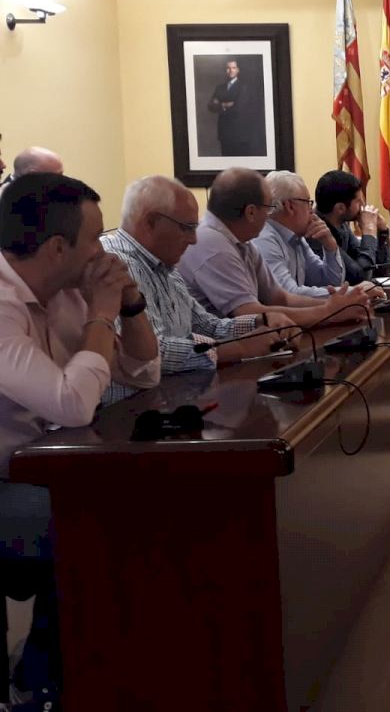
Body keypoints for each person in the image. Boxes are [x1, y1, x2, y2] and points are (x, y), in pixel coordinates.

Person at [0, 173, 160, 706]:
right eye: (95, 238)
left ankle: (63, 669)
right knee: (94, 521)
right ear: (56, 248)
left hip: (39, 465)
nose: (104, 251)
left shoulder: (69, 291)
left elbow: (144, 373)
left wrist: (129, 302)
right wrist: (102, 314)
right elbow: (72, 403)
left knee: (126, 503)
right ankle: (50, 680)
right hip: (5, 479)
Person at [101, 175, 299, 404]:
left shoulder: (165, 266)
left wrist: (261, 322)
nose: (194, 240)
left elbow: (208, 326)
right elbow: (151, 356)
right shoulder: (118, 264)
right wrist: (239, 348)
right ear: (150, 222)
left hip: (169, 402)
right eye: (187, 228)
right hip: (123, 415)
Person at [176, 168, 365, 326]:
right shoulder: (213, 244)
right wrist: (329, 312)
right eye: (268, 208)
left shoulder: (241, 241)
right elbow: (249, 314)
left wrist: (335, 305)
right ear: (251, 212)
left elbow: (281, 298)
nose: (270, 216)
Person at [252, 171, 347, 297]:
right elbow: (287, 295)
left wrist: (330, 246)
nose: (312, 210)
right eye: (308, 202)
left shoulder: (296, 238)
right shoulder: (264, 239)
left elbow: (330, 282)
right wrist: (351, 293)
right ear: (290, 206)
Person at [309, 170, 390, 284]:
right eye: (358, 201)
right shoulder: (317, 232)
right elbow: (360, 277)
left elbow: (380, 271)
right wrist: (369, 232)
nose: (363, 205)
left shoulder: (342, 226)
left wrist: (383, 232)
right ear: (340, 208)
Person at [206, 59, 266, 156]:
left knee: (239, 161)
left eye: (233, 68)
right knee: (226, 161)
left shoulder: (243, 87)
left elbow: (238, 108)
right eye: (228, 68)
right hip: (224, 133)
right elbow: (210, 106)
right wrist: (224, 105)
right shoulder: (220, 88)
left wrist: (219, 104)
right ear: (225, 70)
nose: (231, 70)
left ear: (238, 70)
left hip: (239, 133)